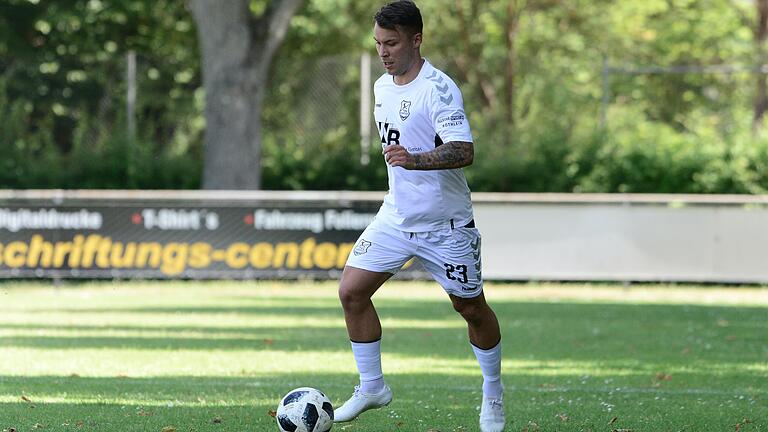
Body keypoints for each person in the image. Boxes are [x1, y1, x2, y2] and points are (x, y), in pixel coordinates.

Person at [334, 1, 505, 431]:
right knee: (352, 292)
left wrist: (415, 160)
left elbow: (463, 150)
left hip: (446, 226)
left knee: (471, 308)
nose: (383, 52)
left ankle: (493, 396)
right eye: (378, 43)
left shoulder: (439, 89)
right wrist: (405, 168)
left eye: (391, 43)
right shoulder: (381, 87)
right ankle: (372, 388)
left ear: (416, 39)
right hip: (396, 218)